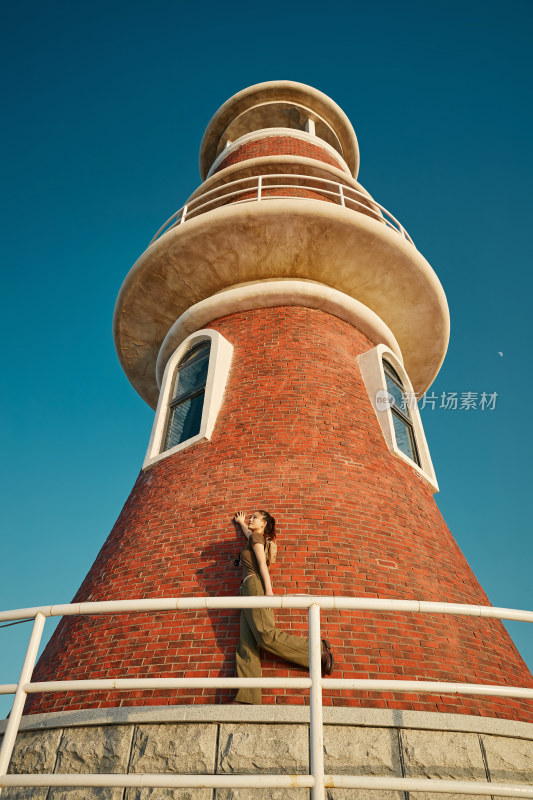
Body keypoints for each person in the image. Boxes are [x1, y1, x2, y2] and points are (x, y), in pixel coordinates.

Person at [232, 509, 334, 704]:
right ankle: (247, 698)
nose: (251, 519)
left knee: (265, 635)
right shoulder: (253, 536)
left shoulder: (257, 537)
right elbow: (248, 534)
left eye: (255, 517)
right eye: (250, 517)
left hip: (255, 585)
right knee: (246, 643)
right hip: (245, 590)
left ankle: (317, 649)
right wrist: (241, 522)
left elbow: (262, 564)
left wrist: (269, 592)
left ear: (263, 524)